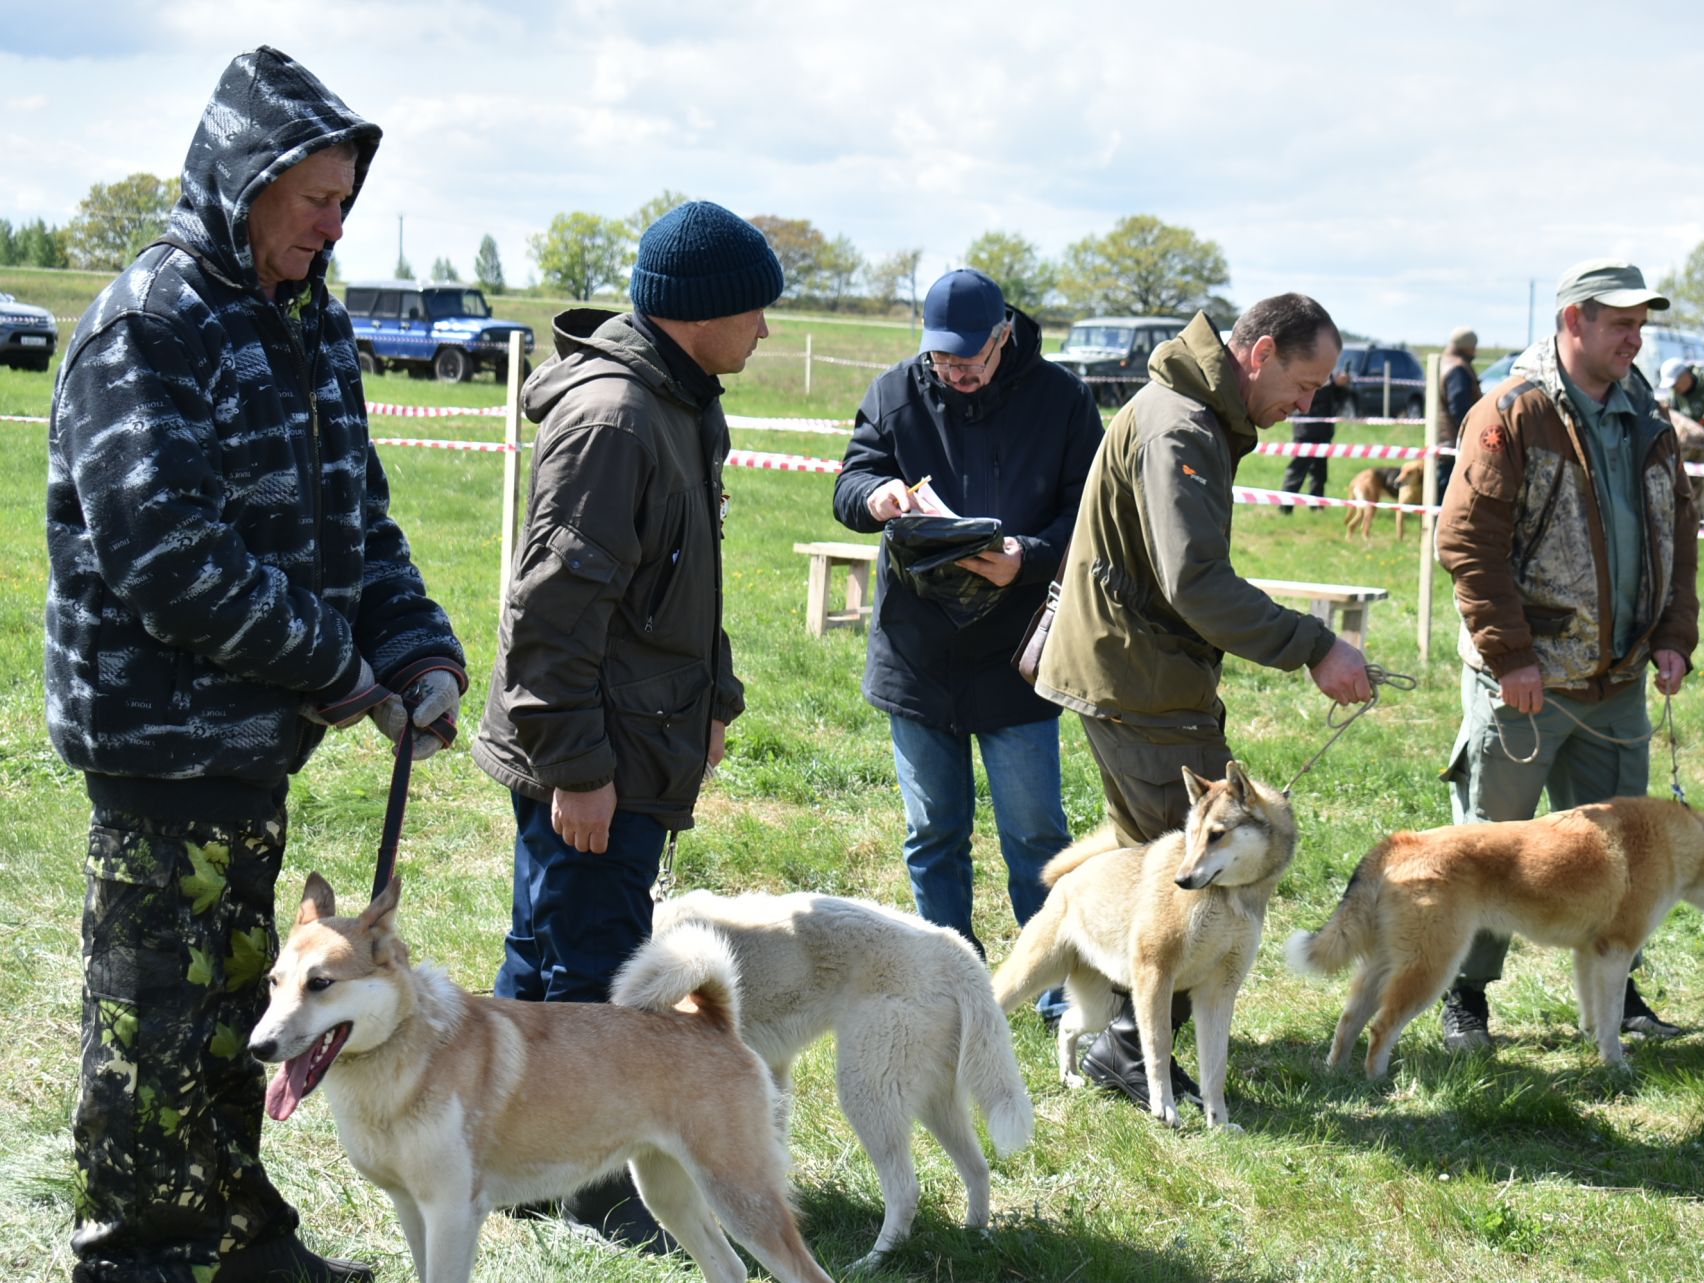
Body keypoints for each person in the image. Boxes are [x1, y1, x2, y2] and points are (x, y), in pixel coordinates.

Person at [46, 47, 467, 1283]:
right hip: (160, 745)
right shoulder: (149, 323)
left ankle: (229, 1237)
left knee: (245, 1014)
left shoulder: (308, 320)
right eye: (314, 202)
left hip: (252, 747)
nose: (332, 226)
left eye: (345, 202)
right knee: (155, 1034)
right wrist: (339, 667)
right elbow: (168, 554)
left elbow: (359, 520)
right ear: (243, 185)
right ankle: (137, 1256)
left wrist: (411, 643)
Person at [471, 199, 781, 1245]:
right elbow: (551, 614)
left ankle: (506, 1162)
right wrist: (579, 768)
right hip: (594, 754)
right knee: (594, 968)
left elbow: (687, 579)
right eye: (756, 311)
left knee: (550, 948)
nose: (768, 331)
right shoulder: (615, 417)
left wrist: (715, 698)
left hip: (639, 736)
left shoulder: (683, 403)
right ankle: (598, 1189)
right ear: (700, 312)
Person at [1034, 294, 1375, 1108]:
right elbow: (1196, 583)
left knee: (1156, 859)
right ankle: (1127, 1051)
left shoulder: (1187, 412)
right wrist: (1316, 645)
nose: (1309, 403)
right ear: (1256, 354)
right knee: (1188, 876)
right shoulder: (1181, 425)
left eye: (1322, 388)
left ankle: (1115, 1036)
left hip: (1140, 673)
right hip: (1142, 682)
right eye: (1304, 381)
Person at [1435, 258, 1700, 1052]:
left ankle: (1617, 999)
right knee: (1492, 842)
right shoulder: (1512, 413)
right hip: (1525, 685)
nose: (1637, 336)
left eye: (1641, 323)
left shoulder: (1646, 417)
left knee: (1625, 856)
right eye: (1622, 322)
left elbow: (1679, 538)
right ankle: (1464, 995)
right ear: (1574, 320)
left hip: (1616, 682)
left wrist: (1674, 636)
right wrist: (1512, 655)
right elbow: (1466, 542)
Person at [831, 268, 1102, 1008]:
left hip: (1016, 657)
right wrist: (874, 495)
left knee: (1036, 839)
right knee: (932, 833)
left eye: (969, 359)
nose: (955, 373)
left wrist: (1027, 558)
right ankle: (945, 981)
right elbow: (850, 482)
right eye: (943, 360)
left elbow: (1090, 513)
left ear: (1003, 336)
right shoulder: (895, 394)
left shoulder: (1064, 401)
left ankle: (1052, 992)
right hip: (917, 653)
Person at [1279, 366, 1350, 513]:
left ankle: (1317, 506)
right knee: (1298, 470)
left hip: (1323, 431)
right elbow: (1311, 396)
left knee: (1320, 472)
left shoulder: (1328, 375)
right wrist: (1333, 383)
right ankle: (1285, 507)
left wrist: (1342, 386)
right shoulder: (1307, 370)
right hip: (1306, 429)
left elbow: (1338, 399)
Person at [1435, 326, 1482, 496]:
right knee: (1450, 496)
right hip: (1454, 441)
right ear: (1467, 346)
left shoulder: (1444, 362)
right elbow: (1460, 409)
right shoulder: (1458, 369)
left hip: (1445, 440)